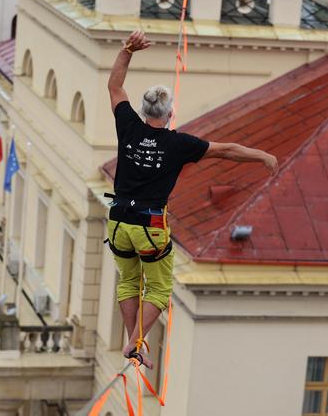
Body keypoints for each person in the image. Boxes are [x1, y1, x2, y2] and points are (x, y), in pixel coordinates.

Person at [105, 31, 278, 369]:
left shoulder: (127, 124)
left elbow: (115, 86)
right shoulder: (178, 143)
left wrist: (127, 50)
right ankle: (135, 343)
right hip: (150, 225)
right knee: (158, 289)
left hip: (118, 220)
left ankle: (133, 341)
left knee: (128, 280)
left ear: (142, 111)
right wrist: (262, 156)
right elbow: (226, 151)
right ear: (169, 114)